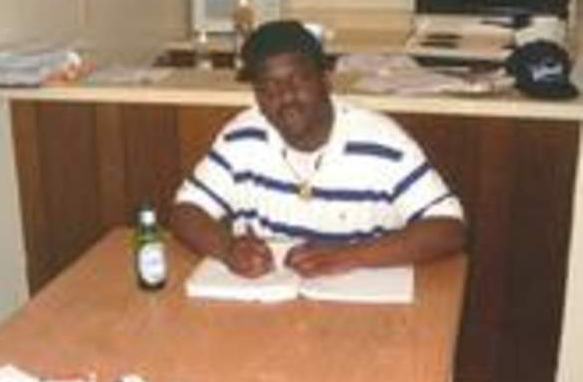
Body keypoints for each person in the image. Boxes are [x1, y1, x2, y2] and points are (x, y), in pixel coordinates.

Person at [170, 20, 466, 279]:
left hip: (360, 301)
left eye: (298, 80)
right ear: (257, 96)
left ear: (325, 80)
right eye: (269, 86)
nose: (286, 97)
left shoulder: (383, 142)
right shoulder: (241, 136)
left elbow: (449, 228)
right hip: (265, 297)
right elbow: (186, 211)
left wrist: (350, 256)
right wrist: (228, 249)